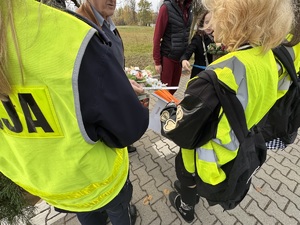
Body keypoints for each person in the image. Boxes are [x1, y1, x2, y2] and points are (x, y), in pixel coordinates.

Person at [0, 1, 149, 225]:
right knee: (119, 212)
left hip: (53, 187)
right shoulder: (72, 36)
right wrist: (133, 104)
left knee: (88, 217)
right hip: (100, 180)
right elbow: (128, 129)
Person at [160, 0, 294, 223]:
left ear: (232, 18)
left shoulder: (220, 73)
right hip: (236, 150)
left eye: (214, 13)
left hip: (206, 161)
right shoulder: (270, 60)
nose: (210, 25)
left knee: (185, 172)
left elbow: (180, 129)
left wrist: (167, 111)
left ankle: (186, 207)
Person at [76, 0, 141, 154]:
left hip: (113, 107)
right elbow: (82, 81)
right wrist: (119, 86)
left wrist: (123, 80)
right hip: (96, 128)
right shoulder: (79, 25)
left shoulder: (107, 24)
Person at [153, 0, 193, 94]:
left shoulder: (188, 8)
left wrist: (185, 57)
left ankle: (169, 108)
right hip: (168, 56)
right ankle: (163, 108)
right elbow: (157, 37)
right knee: (165, 92)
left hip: (179, 59)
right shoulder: (166, 8)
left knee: (174, 89)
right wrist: (157, 62)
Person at [180, 10, 214, 79]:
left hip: (213, 76)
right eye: (207, 22)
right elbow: (189, 51)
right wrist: (184, 60)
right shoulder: (198, 37)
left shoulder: (219, 38)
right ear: (202, 23)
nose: (209, 26)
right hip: (199, 75)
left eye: (212, 23)